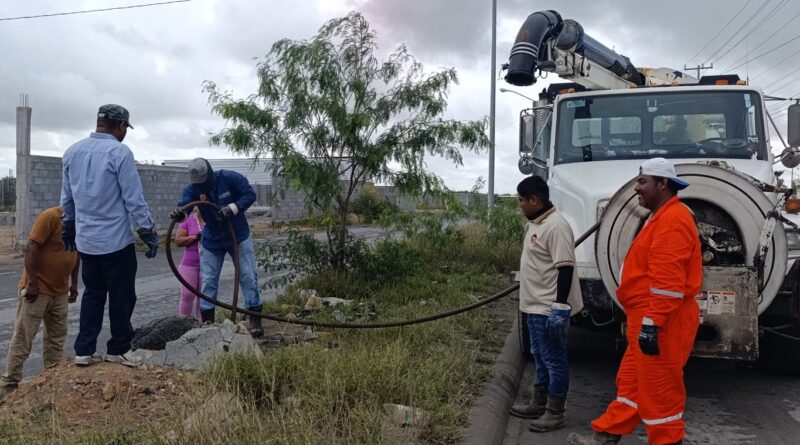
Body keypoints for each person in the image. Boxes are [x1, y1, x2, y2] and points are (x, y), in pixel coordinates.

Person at [567, 158, 702, 445]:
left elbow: (668, 284)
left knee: (659, 391)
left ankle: (667, 440)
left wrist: (652, 324)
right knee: (631, 382)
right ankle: (608, 434)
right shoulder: (662, 216)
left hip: (661, 320)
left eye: (642, 182)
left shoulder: (674, 220)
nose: (636, 188)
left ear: (662, 184)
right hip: (649, 317)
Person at [61, 104, 159, 368]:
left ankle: (84, 351)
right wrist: (147, 230)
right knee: (122, 296)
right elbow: (133, 198)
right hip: (116, 242)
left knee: (93, 294)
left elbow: (67, 197)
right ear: (121, 126)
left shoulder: (72, 152)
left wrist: (68, 225)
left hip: (87, 242)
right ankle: (119, 349)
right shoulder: (119, 153)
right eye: (126, 128)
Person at [509, 175, 583, 432]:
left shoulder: (557, 226)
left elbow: (565, 268)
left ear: (534, 200)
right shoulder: (535, 224)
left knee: (554, 359)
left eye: (521, 200)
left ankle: (555, 411)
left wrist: (560, 308)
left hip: (547, 308)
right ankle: (539, 402)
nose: (519, 204)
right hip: (532, 305)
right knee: (539, 356)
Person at [170, 158, 263, 337]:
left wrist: (232, 208)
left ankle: (255, 319)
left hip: (237, 235)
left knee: (248, 276)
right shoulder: (192, 189)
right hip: (212, 239)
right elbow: (185, 208)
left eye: (203, 181)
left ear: (210, 174)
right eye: (197, 183)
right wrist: (179, 214)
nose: (201, 186)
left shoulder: (229, 178)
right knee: (208, 280)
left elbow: (249, 194)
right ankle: (208, 323)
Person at [0, 206, 79, 397]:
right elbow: (31, 248)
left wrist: (74, 284)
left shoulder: (82, 220)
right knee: (24, 336)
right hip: (38, 291)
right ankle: (9, 383)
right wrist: (32, 283)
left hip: (60, 291)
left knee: (56, 339)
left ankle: (51, 380)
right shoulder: (50, 216)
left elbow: (77, 254)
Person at [174, 207, 205, 322]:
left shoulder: (213, 219)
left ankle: (202, 324)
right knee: (187, 295)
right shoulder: (188, 219)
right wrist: (194, 237)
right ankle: (182, 323)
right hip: (189, 264)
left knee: (204, 296)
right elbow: (178, 241)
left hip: (207, 265)